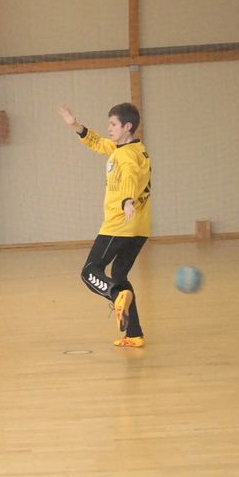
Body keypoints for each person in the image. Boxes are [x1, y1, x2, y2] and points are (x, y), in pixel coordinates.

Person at [58, 103, 152, 348]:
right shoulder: (130, 148)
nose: (109, 128)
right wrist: (75, 125)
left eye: (113, 124)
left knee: (89, 272)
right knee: (119, 275)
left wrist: (127, 201)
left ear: (127, 126)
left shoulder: (126, 156)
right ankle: (134, 334)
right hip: (139, 228)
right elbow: (99, 143)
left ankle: (115, 295)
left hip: (118, 225)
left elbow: (131, 176)